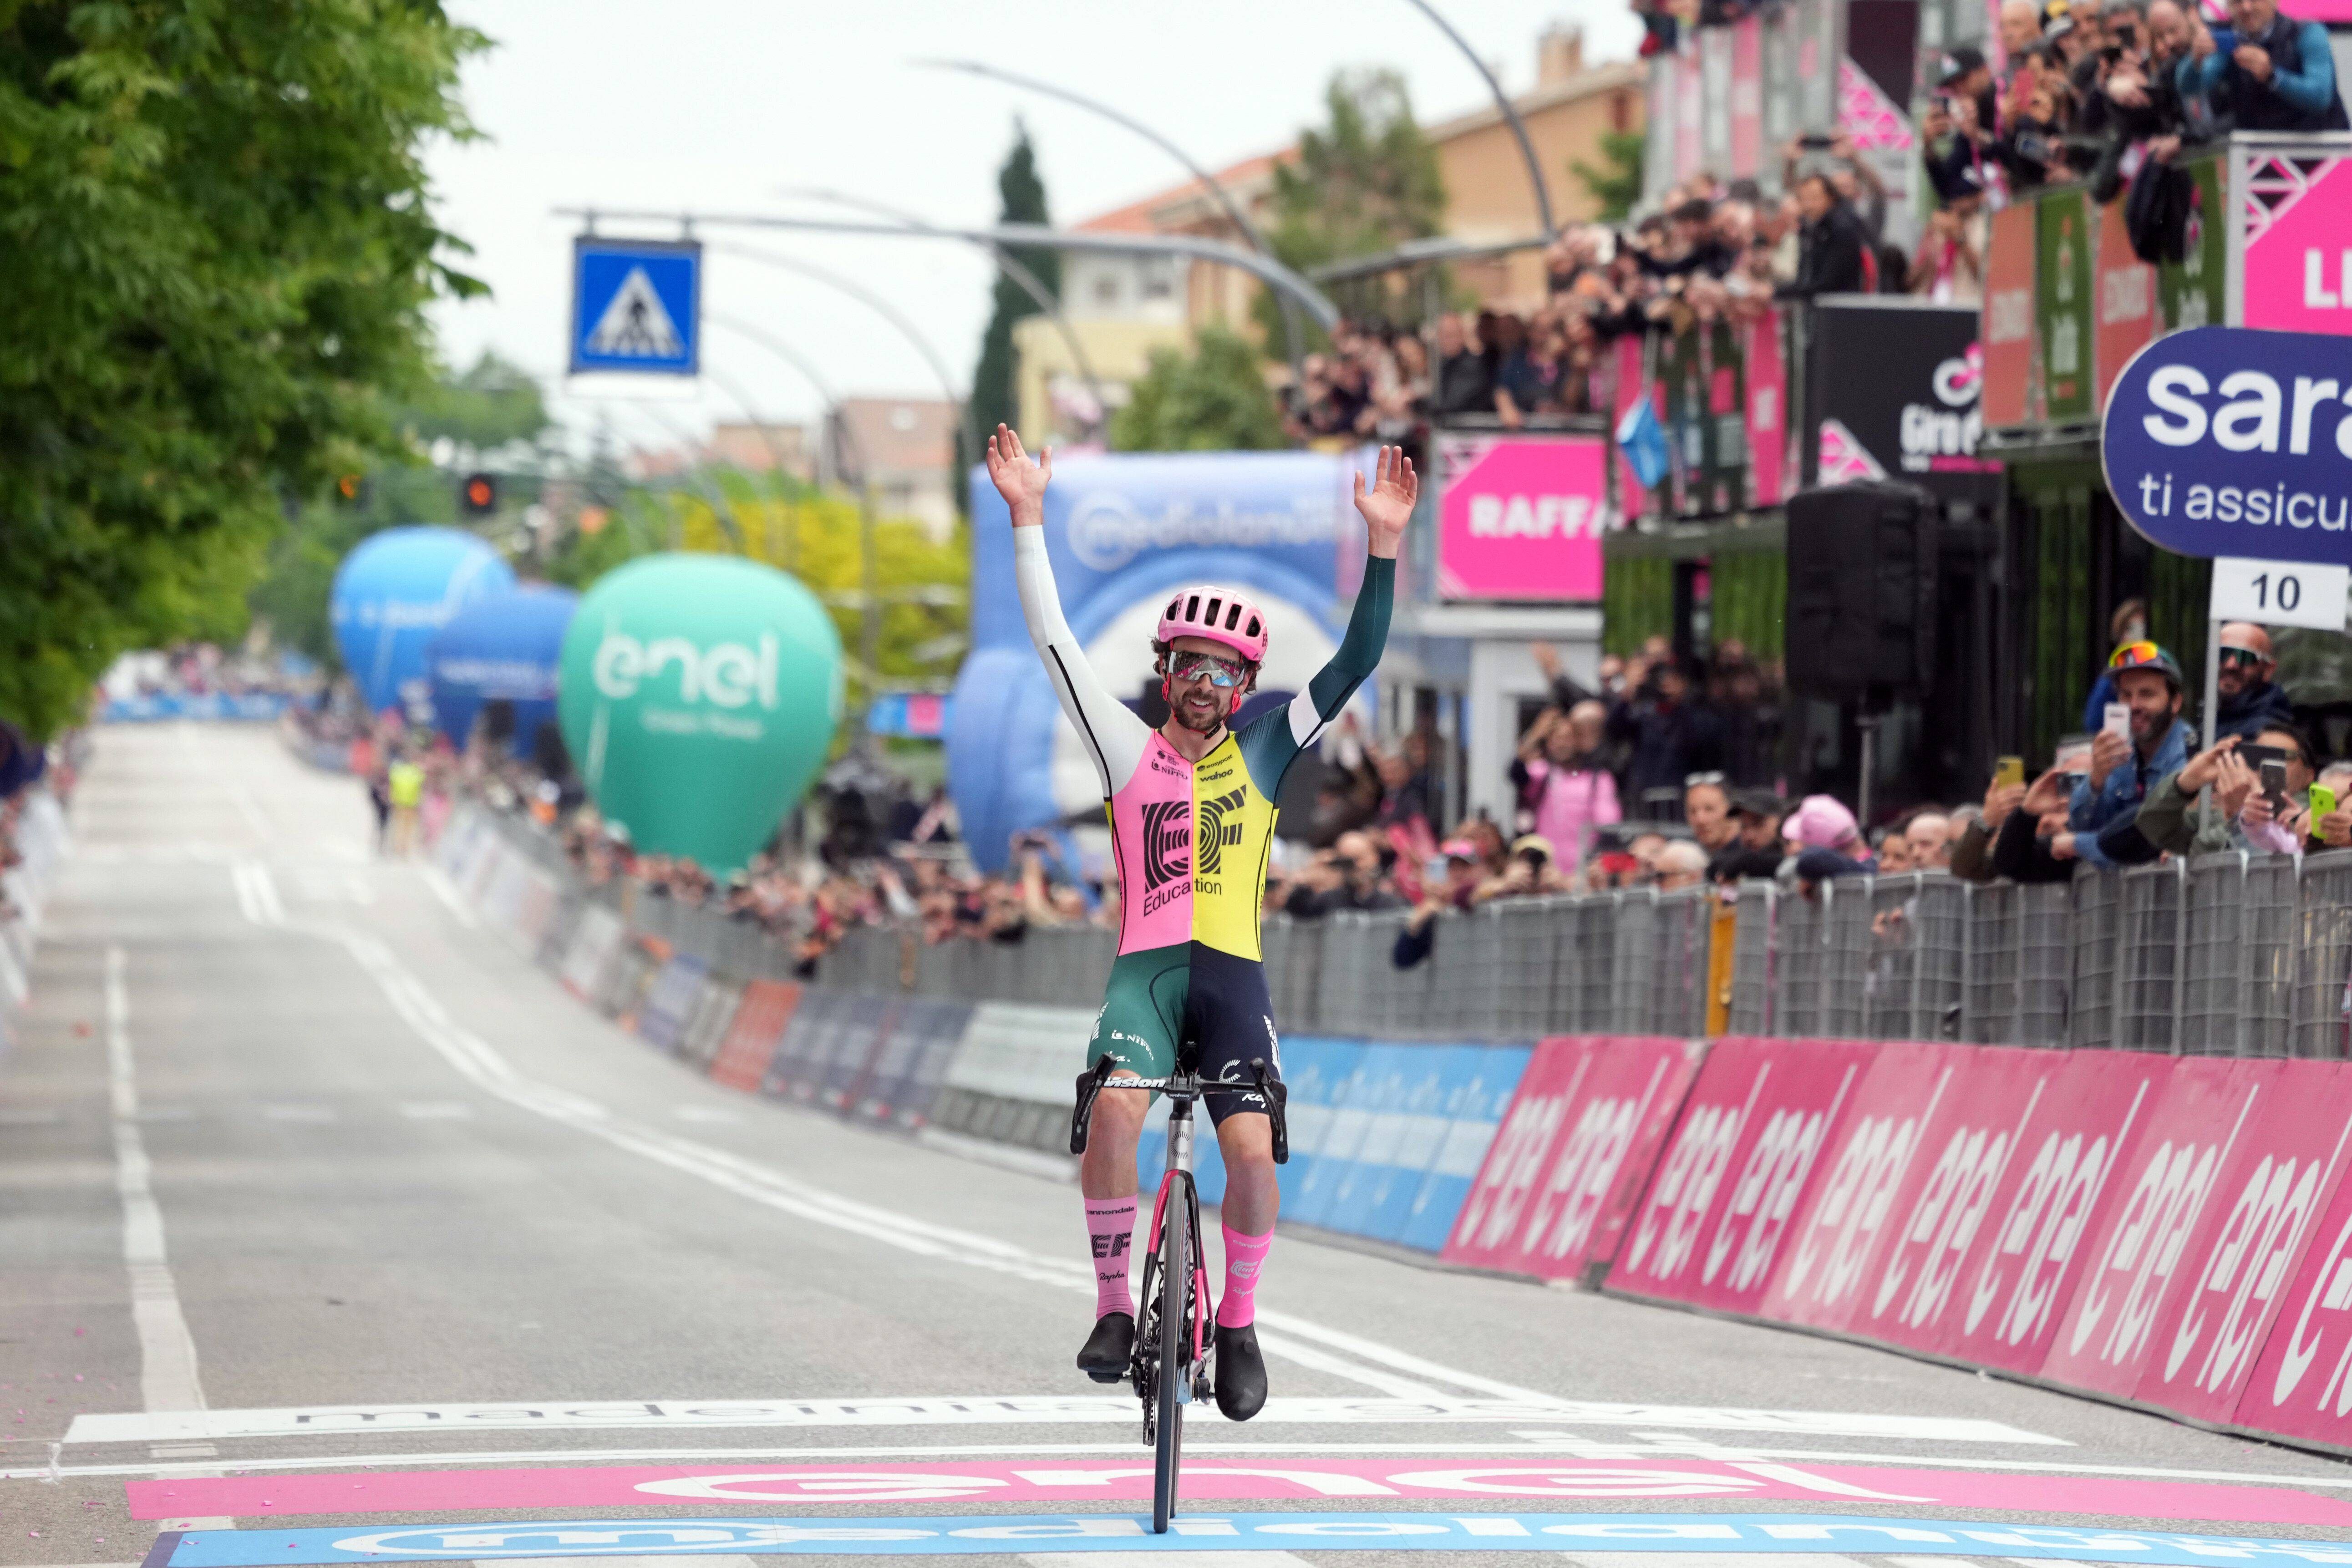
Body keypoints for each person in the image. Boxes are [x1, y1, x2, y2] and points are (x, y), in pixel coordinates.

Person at [987, 424, 1412, 1422]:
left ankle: (1239, 1323)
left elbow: (1355, 660)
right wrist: (1027, 518)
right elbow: (1052, 641)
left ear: (1245, 686)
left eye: (1225, 671)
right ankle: (1111, 1307)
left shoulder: (1265, 751)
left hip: (1232, 981)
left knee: (1253, 1156)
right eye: (1189, 664)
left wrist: (1384, 545)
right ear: (1165, 669)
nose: (1205, 682)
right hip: (1144, 976)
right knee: (1115, 1113)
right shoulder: (1122, 746)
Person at [2068, 641, 2197, 869]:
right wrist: (2096, 780)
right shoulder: (2122, 752)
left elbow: (2150, 842)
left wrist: (2078, 845)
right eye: (2126, 695)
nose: (2134, 705)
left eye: (2147, 694)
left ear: (2176, 702)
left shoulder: (2189, 755)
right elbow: (2083, 825)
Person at [2177, 0, 2349, 131]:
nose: (2246, 8)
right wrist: (2196, 59)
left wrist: (2272, 76)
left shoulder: (2307, 33)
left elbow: (2320, 98)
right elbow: (2190, 88)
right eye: (2237, 1)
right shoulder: (2229, 39)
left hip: (2322, 152)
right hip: (2261, 153)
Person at [1512, 701, 1620, 871]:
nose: (1561, 744)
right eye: (1555, 739)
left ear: (1579, 741)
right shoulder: (1543, 773)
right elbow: (1516, 773)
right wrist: (1534, 735)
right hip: (1545, 872)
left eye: (1567, 738)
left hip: (1582, 875)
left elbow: (1608, 828)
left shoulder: (1599, 779)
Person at [2212, 622, 2295, 743]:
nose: (2231, 665)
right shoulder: (2211, 716)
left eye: (2245, 656)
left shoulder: (2269, 734)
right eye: (2223, 653)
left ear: (2268, 669)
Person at [386, 751, 425, 858]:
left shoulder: (397, 771)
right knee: (407, 829)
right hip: (411, 804)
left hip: (400, 803)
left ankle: (398, 848)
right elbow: (421, 785)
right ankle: (403, 849)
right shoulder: (416, 771)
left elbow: (392, 785)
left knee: (399, 827)